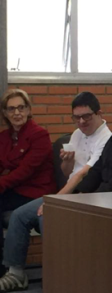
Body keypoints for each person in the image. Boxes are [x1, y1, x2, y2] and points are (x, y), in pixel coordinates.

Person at [0, 92, 112, 292]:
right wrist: (67, 162)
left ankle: (61, 275)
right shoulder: (77, 134)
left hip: (86, 195)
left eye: (86, 116)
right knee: (19, 215)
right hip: (67, 192)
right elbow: (68, 173)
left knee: (47, 217)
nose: (81, 122)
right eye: (76, 117)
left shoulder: (107, 140)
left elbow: (82, 175)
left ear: (98, 114)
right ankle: (15, 274)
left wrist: (54, 201)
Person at [0, 89, 56, 276]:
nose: (17, 113)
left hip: (36, 193)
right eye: (11, 109)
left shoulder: (39, 134)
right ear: (5, 113)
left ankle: (7, 268)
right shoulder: (4, 137)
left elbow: (25, 171)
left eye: (21, 107)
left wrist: (1, 184)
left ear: (28, 109)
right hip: (17, 191)